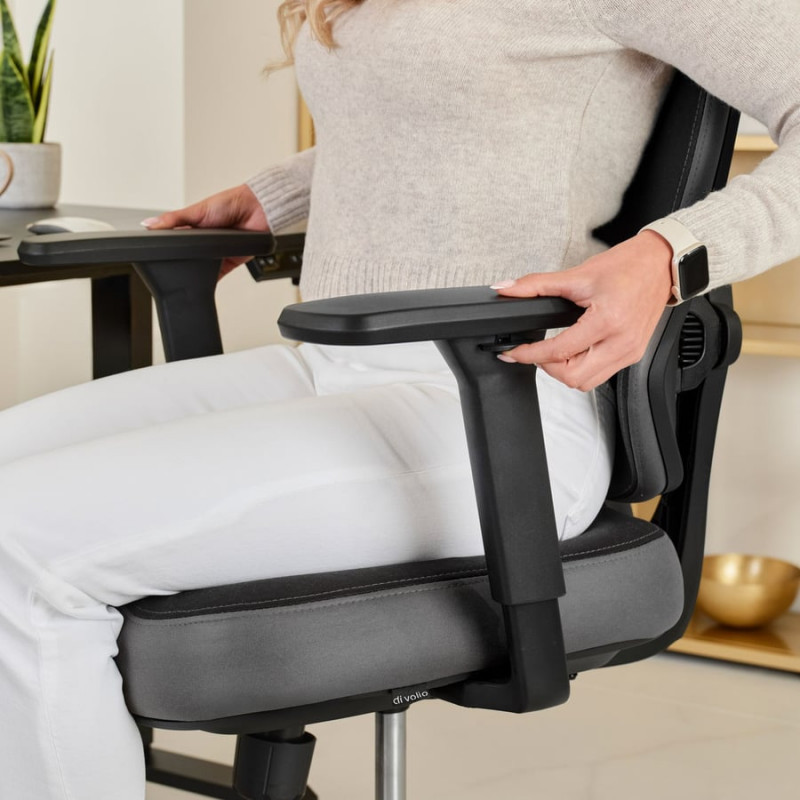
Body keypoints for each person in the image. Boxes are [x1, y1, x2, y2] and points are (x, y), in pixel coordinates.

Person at [0, 0, 798, 797]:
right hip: (331, 369)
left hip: (494, 403)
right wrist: (275, 194)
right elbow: (454, 112)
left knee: (22, 543)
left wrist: (667, 259)